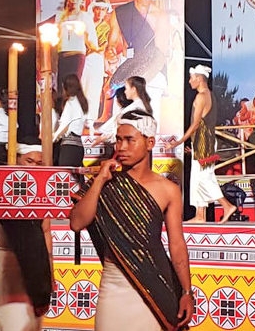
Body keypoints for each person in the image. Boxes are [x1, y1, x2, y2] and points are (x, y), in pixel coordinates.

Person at [70, 110, 193, 330]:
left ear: (149, 143)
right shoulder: (105, 182)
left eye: (129, 140)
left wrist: (186, 291)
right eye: (118, 140)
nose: (122, 147)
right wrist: (99, 181)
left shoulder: (168, 190)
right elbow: (77, 223)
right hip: (114, 285)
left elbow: (176, 244)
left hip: (154, 285)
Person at [0, 136, 53, 330]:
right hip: (11, 264)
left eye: (39, 163)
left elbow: (46, 233)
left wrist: (48, 273)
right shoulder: (2, 192)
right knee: (13, 323)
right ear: (16, 160)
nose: (34, 167)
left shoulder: (43, 191)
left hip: (39, 266)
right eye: (29, 161)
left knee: (32, 324)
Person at [164, 65, 237, 224]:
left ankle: (226, 205)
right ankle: (200, 215)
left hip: (204, 142)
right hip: (203, 142)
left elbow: (196, 124)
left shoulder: (201, 97)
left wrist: (178, 142)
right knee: (198, 178)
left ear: (199, 78)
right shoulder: (209, 95)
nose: (190, 81)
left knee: (204, 177)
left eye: (191, 78)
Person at [106, 0, 171, 122]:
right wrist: (111, 53)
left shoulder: (160, 16)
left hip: (151, 74)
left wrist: (140, 83)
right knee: (122, 122)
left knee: (147, 122)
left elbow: (160, 53)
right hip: (127, 70)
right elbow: (112, 43)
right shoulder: (120, 13)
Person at [56, 0, 97, 91]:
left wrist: (91, 45)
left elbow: (91, 39)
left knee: (73, 86)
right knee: (62, 87)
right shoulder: (60, 17)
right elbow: (56, 37)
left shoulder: (85, 17)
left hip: (77, 55)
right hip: (62, 55)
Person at [94, 76, 153, 146]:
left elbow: (126, 131)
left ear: (133, 89)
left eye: (127, 89)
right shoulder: (135, 106)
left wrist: (103, 138)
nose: (125, 92)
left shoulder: (135, 108)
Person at [81, 0, 111, 127]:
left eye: (103, 10)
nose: (100, 12)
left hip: (97, 59)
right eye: (97, 9)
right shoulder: (86, 24)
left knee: (94, 88)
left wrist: (94, 49)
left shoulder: (106, 27)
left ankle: (90, 118)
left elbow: (103, 45)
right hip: (83, 58)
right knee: (82, 87)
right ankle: (79, 116)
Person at [53, 74, 88, 167]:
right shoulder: (82, 102)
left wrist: (54, 137)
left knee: (65, 176)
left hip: (69, 146)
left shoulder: (71, 103)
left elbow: (65, 124)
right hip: (79, 146)